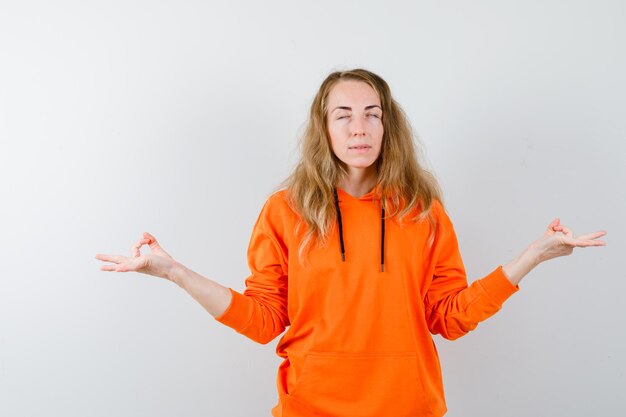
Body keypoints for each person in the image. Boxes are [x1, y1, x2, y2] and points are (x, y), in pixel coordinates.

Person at [95, 69, 607, 417]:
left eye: (372, 113)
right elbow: (264, 321)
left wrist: (531, 257)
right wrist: (174, 272)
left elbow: (448, 317)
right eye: (343, 114)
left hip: (409, 409)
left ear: (388, 124)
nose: (359, 127)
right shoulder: (285, 211)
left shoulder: (422, 211)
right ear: (325, 126)